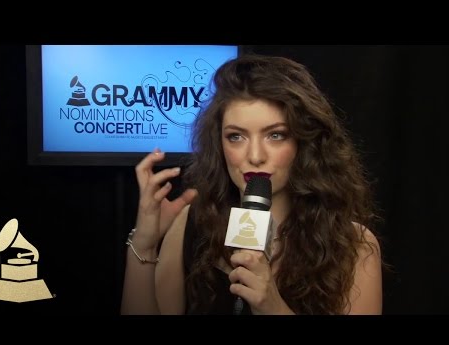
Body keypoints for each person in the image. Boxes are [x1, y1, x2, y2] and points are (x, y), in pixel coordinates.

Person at [120, 54, 383, 315]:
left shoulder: (354, 245)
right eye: (236, 137)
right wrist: (144, 245)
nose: (255, 156)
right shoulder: (191, 224)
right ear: (219, 145)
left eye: (275, 135)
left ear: (303, 143)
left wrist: (272, 307)